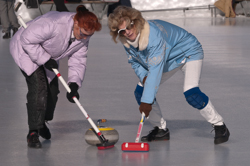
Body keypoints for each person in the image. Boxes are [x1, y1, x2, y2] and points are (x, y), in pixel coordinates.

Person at [108, 6, 230, 144]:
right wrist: (144, 77)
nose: (127, 32)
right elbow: (135, 63)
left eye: (129, 26)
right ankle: (160, 129)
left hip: (189, 52)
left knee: (192, 93)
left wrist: (147, 101)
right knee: (140, 92)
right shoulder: (127, 42)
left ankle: (220, 125)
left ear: (135, 21)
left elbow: (155, 69)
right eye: (122, 31)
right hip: (167, 59)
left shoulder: (152, 35)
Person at [10, 5, 101, 148]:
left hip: (48, 56)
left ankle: (41, 122)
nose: (84, 37)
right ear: (76, 22)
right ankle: (33, 131)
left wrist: (74, 84)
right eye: (83, 33)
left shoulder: (84, 36)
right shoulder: (54, 24)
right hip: (25, 51)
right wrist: (44, 59)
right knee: (39, 87)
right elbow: (26, 39)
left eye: (88, 35)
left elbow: (78, 59)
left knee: (53, 92)